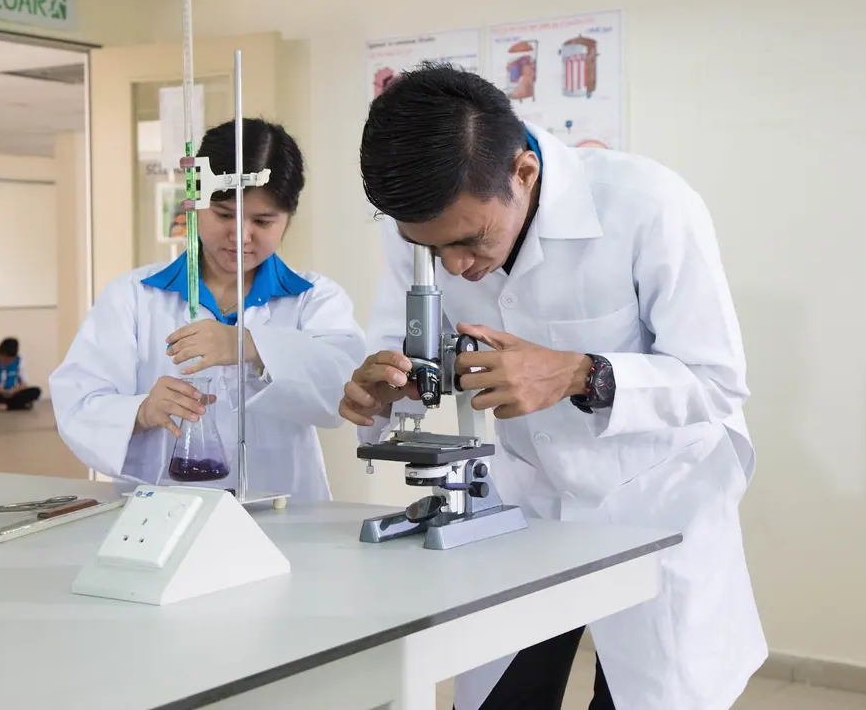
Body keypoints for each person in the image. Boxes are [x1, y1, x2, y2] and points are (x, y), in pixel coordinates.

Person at [339, 64, 766, 710]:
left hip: (655, 506)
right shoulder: (427, 229)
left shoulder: (647, 204)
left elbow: (716, 381)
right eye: (429, 248)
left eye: (470, 241)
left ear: (524, 173)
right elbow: (398, 343)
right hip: (525, 504)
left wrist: (576, 372)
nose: (454, 265)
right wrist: (383, 388)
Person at [51, 119, 365, 499]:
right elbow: (78, 402)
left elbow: (345, 389)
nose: (241, 236)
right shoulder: (133, 296)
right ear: (194, 203)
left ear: (288, 218)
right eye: (223, 214)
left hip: (284, 511)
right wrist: (142, 411)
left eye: (262, 221)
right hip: (162, 511)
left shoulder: (314, 298)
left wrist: (251, 346)